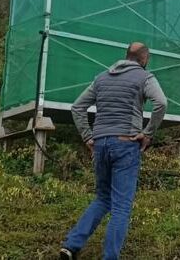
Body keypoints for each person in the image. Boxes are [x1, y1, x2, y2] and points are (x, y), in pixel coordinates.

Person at [59, 42, 167, 260]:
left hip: (101, 144)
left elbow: (77, 107)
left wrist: (88, 137)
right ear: (144, 59)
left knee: (102, 198)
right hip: (125, 144)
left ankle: (71, 246)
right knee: (121, 206)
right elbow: (161, 103)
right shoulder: (145, 77)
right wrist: (147, 133)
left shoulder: (101, 78)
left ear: (126, 56)